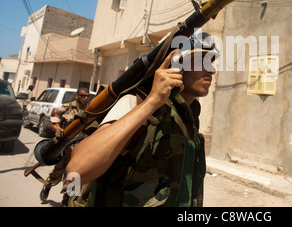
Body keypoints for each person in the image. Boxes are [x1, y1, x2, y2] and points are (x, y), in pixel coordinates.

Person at [65, 32, 219, 207]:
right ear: (176, 65)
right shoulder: (136, 103)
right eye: (202, 61)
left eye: (212, 62)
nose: (212, 70)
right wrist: (152, 101)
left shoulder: (189, 115)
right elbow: (77, 170)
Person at [39, 87, 90, 206]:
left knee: (73, 174)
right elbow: (53, 123)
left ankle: (66, 200)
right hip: (64, 146)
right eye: (83, 95)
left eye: (88, 96)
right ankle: (47, 186)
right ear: (77, 96)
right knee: (58, 172)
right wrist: (62, 133)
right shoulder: (66, 107)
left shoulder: (90, 110)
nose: (86, 98)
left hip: (78, 147)